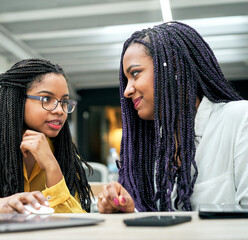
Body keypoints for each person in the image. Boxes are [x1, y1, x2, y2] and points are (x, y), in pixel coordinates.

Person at [97, 21, 248, 213]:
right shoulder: (157, 147)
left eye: (135, 73)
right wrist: (130, 211)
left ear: (173, 68)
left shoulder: (240, 119)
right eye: (126, 80)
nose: (127, 90)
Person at [0, 58, 93, 214]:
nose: (60, 110)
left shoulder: (64, 157)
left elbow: (76, 221)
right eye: (47, 99)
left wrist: (52, 167)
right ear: (18, 100)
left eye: (64, 102)